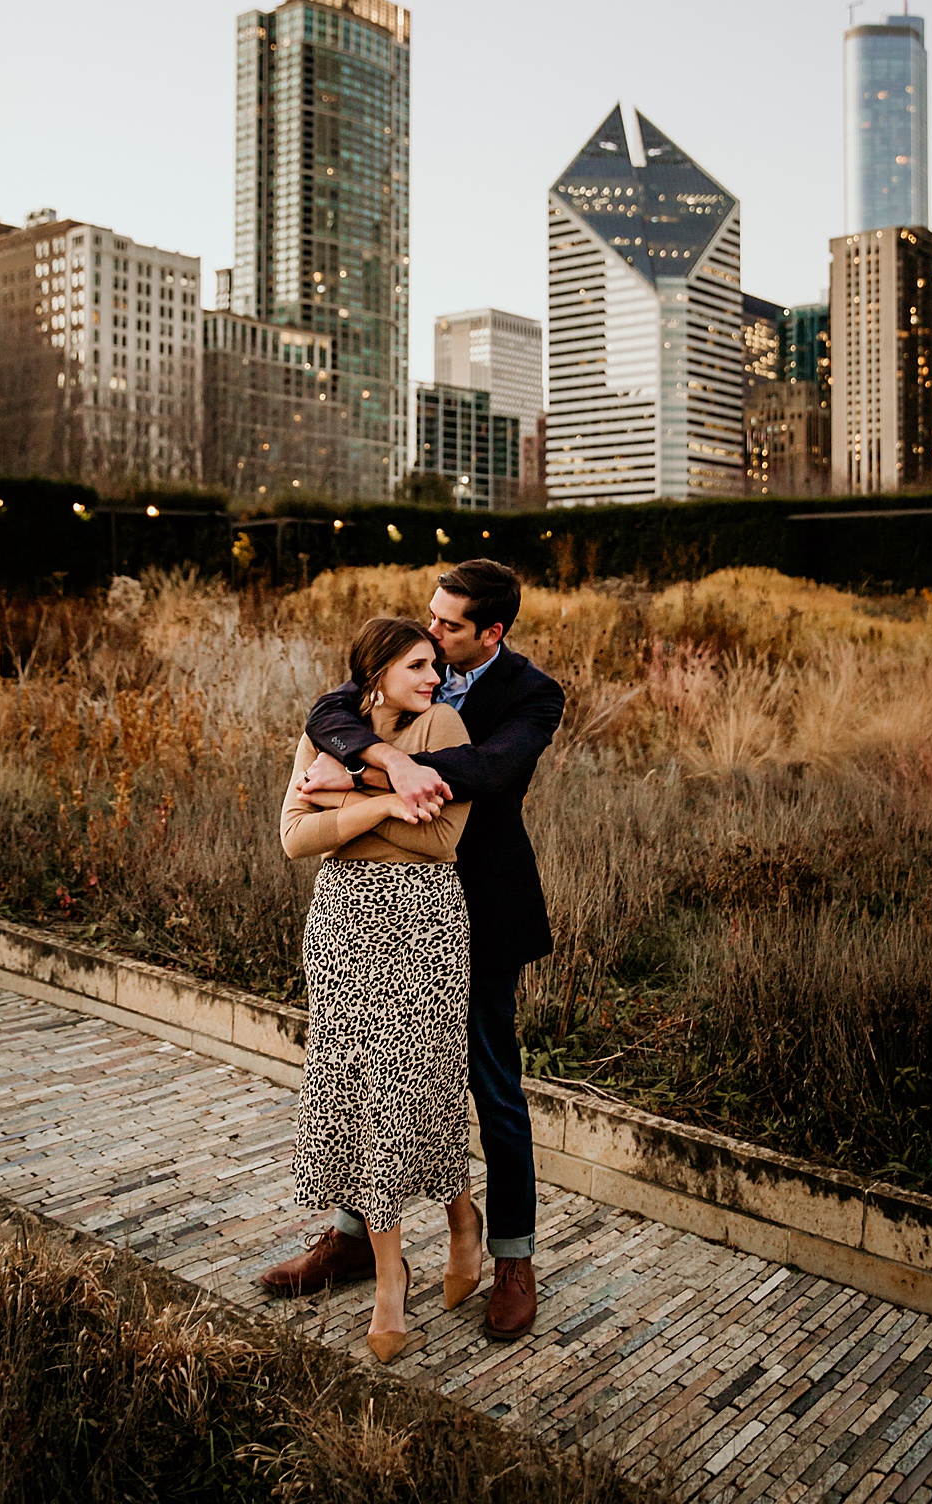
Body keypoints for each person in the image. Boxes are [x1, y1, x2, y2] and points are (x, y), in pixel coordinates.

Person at [262, 560, 564, 1342]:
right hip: (362, 915)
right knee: (369, 1075)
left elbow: (486, 772)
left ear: (491, 633)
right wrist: (381, 761)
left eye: (450, 627)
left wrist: (360, 780)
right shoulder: (400, 670)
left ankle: (512, 1257)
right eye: (429, 619)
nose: (431, 632)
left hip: (477, 911)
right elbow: (331, 707)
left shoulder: (532, 696)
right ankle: (358, 1241)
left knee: (490, 1086)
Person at [274, 615, 484, 1364]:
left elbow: (442, 841)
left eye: (436, 663)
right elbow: (292, 838)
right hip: (341, 931)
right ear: (378, 674)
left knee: (416, 1086)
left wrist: (340, 803)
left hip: (423, 931)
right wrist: (389, 802)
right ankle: (390, 1270)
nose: (436, 677)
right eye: (420, 666)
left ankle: (462, 1222)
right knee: (364, 1092)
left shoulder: (445, 722)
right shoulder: (332, 727)